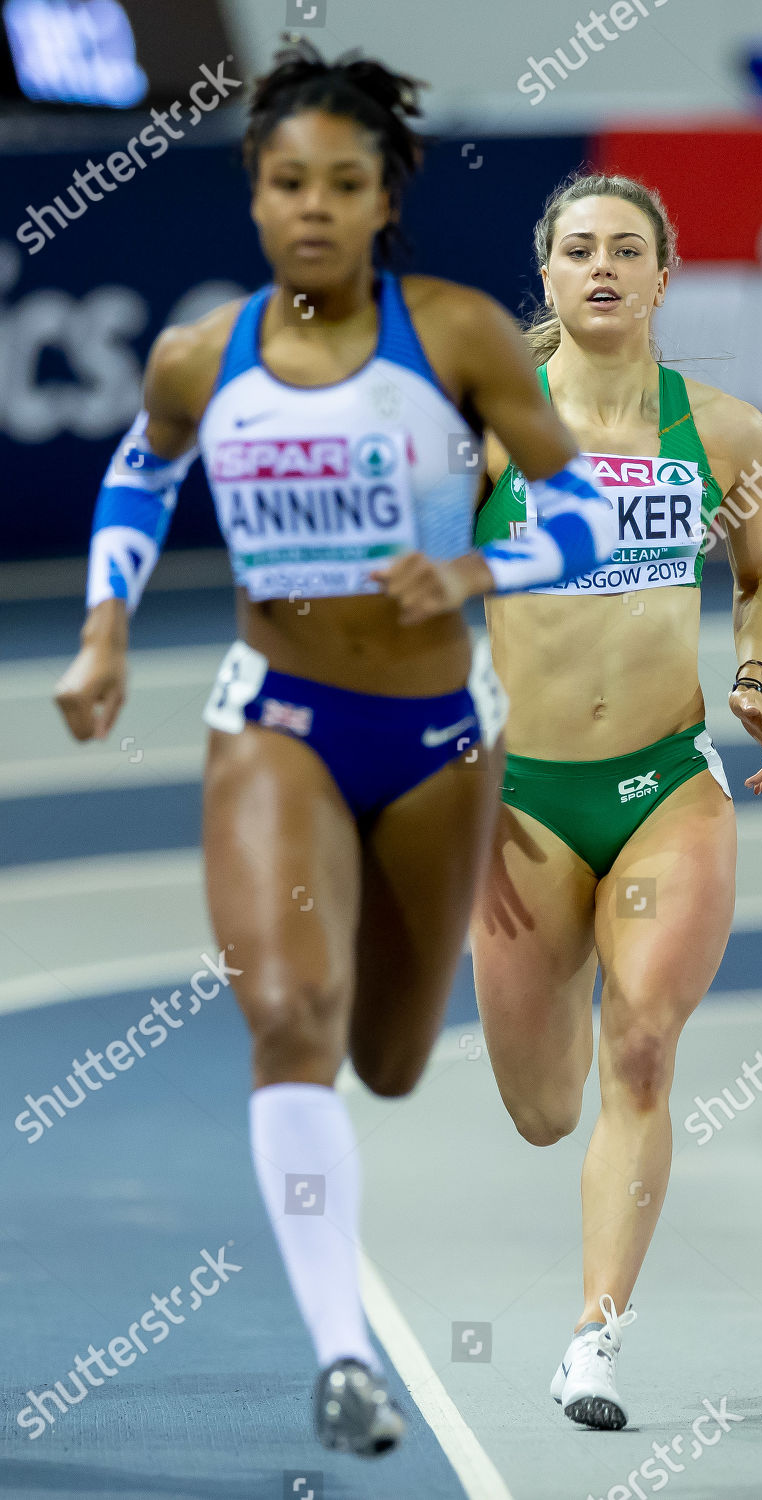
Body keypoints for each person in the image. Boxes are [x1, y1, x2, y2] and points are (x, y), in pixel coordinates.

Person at [52, 47, 620, 1459]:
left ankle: (368, 953)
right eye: (286, 181)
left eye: (343, 183)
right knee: (292, 1022)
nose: (312, 206)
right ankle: (342, 1356)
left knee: (390, 1054)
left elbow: (588, 516)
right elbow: (142, 465)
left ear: (384, 198)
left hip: (435, 739)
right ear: (253, 196)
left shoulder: (463, 336)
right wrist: (104, 630)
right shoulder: (204, 352)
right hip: (277, 727)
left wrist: (479, 577)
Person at [470, 171, 762, 1431]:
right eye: (576, 250)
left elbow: (760, 580)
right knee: (544, 1110)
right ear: (546, 278)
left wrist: (756, 676)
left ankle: (594, 1340)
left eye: (626, 250)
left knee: (644, 1046)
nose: (600, 267)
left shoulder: (722, 432)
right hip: (525, 803)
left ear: (664, 276)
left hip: (668, 781)